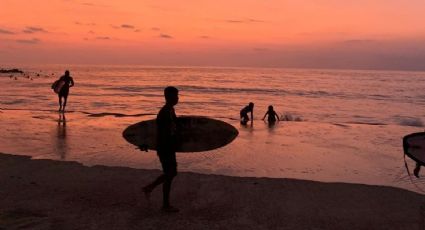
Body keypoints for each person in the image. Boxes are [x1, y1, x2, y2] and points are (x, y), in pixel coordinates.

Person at [143, 86, 179, 213]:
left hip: (169, 148)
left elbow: (174, 127)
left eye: (178, 96)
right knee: (170, 174)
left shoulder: (170, 110)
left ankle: (150, 189)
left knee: (171, 173)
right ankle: (164, 204)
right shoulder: (164, 113)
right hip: (165, 148)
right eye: (175, 96)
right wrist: (148, 144)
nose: (178, 98)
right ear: (168, 97)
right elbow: (161, 134)